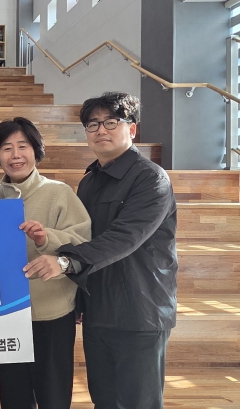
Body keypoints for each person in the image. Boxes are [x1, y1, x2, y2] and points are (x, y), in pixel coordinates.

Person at [23, 92, 178, 409]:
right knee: (104, 399)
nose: (100, 130)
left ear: (131, 128)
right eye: (93, 124)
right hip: (98, 310)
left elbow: (124, 237)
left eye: (111, 122)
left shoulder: (150, 178)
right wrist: (79, 299)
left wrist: (64, 262)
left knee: (139, 402)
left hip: (139, 311)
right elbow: (84, 236)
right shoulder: (90, 181)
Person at [0, 118, 91, 409]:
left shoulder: (59, 192)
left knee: (53, 397)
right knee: (13, 396)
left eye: (23, 146)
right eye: (6, 148)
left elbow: (83, 242)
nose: (15, 155)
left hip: (52, 313)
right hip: (5, 315)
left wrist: (47, 239)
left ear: (36, 150)